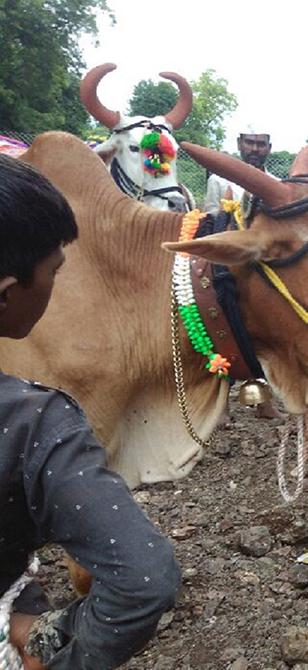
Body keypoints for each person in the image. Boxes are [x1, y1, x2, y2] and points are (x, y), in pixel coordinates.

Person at [0, 154, 180, 669]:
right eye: (57, 271)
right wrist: (47, 646)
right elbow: (145, 579)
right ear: (8, 294)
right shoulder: (35, 420)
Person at [202, 127, 284, 420]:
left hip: (262, 273)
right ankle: (220, 403)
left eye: (261, 143)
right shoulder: (218, 180)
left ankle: (264, 402)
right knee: (221, 330)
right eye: (249, 142)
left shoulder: (275, 184)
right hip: (224, 270)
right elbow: (209, 219)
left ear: (269, 147)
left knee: (264, 334)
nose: (255, 148)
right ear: (239, 143)